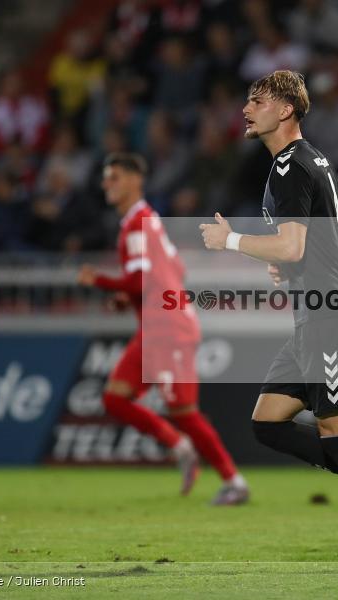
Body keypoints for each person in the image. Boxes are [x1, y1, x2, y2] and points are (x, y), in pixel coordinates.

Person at [200, 70, 338, 573]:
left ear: (285, 110)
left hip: (333, 317)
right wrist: (304, 262)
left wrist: (233, 241)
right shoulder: (316, 160)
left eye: (256, 101)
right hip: (314, 315)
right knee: (267, 423)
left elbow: (292, 243)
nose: (245, 109)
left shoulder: (289, 166)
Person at [78, 152, 249, 505]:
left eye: (114, 177)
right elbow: (173, 271)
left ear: (135, 180)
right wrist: (130, 298)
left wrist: (102, 281)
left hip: (169, 328)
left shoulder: (139, 222)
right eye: (106, 178)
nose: (107, 184)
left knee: (183, 411)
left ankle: (234, 482)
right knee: (114, 397)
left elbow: (142, 277)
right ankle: (178, 445)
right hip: (154, 329)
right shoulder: (146, 221)